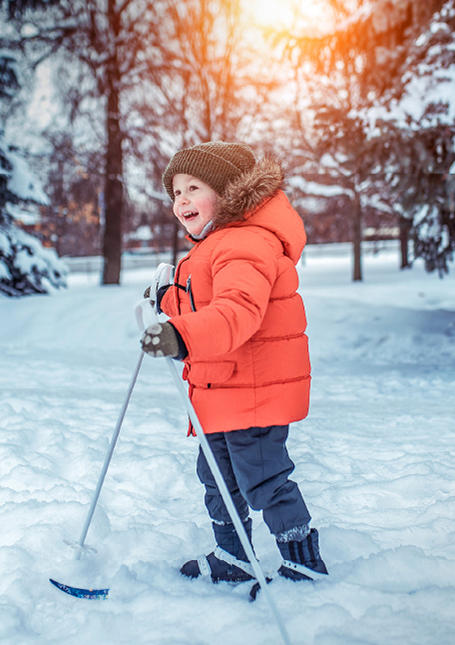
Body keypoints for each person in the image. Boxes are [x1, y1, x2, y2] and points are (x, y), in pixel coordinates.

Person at [139, 141, 328, 589]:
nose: (180, 200)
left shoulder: (245, 243)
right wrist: (166, 297)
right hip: (222, 390)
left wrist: (179, 336)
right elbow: (203, 301)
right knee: (217, 478)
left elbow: (236, 311)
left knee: (264, 480)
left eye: (193, 188)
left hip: (254, 392)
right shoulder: (217, 245)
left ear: (228, 193)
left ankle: (303, 563)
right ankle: (233, 556)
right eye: (174, 192)